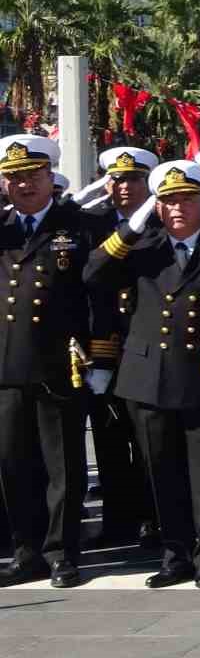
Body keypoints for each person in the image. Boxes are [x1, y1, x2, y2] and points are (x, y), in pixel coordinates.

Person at [84, 160, 200, 589]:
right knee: (160, 472)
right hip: (148, 376)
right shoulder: (141, 250)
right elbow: (93, 273)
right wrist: (133, 225)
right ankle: (175, 553)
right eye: (167, 201)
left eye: (187, 199)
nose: (178, 208)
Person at [0, 135, 103, 588]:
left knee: (63, 466)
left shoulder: (78, 225)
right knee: (13, 464)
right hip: (6, 365)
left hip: (60, 364)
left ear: (50, 177)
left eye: (33, 175)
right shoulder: (2, 228)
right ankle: (27, 551)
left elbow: (100, 296)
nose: (24, 185)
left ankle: (62, 552)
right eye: (14, 177)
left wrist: (100, 355)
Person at [78, 146, 161, 549]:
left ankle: (153, 517)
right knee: (109, 441)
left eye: (133, 179)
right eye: (116, 179)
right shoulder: (89, 222)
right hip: (102, 343)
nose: (123, 186)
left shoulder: (162, 221)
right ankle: (117, 519)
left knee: (148, 439)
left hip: (147, 342)